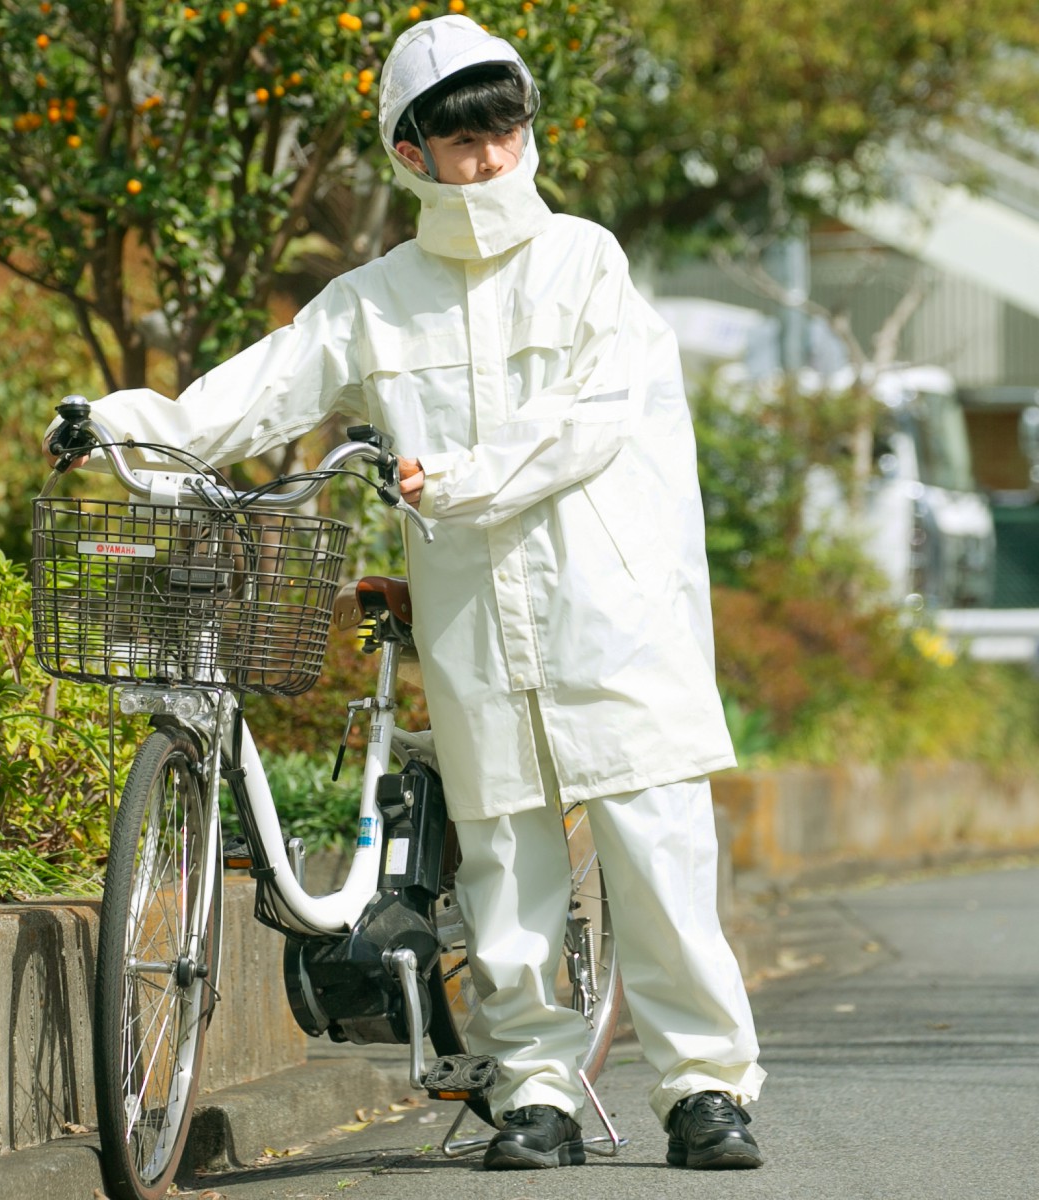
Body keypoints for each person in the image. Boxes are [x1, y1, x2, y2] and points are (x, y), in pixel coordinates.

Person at [48, 14, 766, 1172]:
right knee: (506, 862)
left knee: (657, 849)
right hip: (480, 620)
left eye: (502, 130)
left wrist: (463, 477)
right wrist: (125, 424)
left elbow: (587, 424)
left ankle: (705, 1089)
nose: (487, 157)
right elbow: (264, 387)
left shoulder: (588, 262)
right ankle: (534, 1086)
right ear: (409, 151)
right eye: (460, 137)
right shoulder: (376, 300)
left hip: (613, 610)